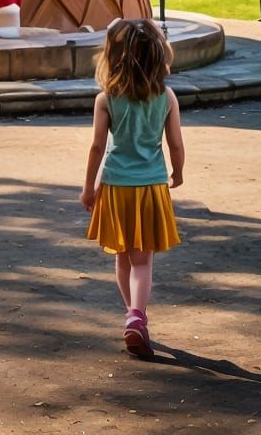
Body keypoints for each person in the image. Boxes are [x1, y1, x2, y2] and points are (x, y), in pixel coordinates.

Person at [81, 18, 184, 360]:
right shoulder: (166, 96)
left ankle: (132, 315)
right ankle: (137, 316)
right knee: (143, 262)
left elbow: (97, 148)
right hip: (151, 187)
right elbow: (176, 144)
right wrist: (178, 171)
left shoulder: (106, 99)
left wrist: (88, 189)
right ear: (158, 56)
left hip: (114, 187)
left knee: (123, 258)